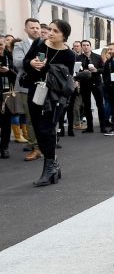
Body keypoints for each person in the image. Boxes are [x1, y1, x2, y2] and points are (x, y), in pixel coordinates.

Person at [22, 19, 76, 186]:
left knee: (47, 130)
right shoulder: (39, 44)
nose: (50, 33)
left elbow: (66, 79)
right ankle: (53, 165)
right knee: (39, 130)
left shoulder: (69, 55)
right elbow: (25, 63)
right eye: (50, 29)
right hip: (35, 92)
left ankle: (50, 167)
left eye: (55, 31)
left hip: (54, 98)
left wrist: (46, 68)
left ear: (64, 35)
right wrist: (31, 63)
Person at [11, 18, 43, 161]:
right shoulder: (19, 45)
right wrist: (30, 62)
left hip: (42, 85)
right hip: (26, 86)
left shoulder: (45, 44)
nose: (35, 30)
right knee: (30, 118)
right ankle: (35, 147)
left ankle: (43, 145)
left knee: (43, 117)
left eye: (37, 27)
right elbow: (17, 62)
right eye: (32, 28)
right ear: (26, 30)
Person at [78, 39, 106, 133]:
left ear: (90, 46)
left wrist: (96, 70)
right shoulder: (78, 58)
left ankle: (103, 127)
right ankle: (90, 127)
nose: (86, 47)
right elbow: (75, 71)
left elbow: (104, 69)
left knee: (100, 105)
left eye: (87, 45)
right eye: (84, 45)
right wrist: (83, 72)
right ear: (82, 47)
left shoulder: (97, 57)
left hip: (96, 83)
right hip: (84, 83)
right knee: (87, 106)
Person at [0, 37, 16, 159]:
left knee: (6, 122)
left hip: (7, 94)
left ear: (5, 44)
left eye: (1, 44)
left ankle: (4, 147)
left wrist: (9, 70)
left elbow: (17, 75)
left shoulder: (10, 57)